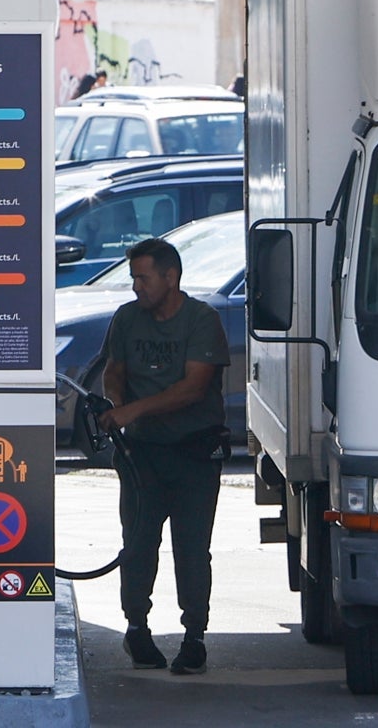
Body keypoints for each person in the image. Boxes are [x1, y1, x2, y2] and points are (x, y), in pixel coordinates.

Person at [98, 237, 230, 676]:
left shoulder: (202, 320)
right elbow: (113, 369)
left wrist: (130, 410)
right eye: (134, 277)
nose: (136, 286)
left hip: (193, 453)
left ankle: (194, 638)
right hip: (142, 455)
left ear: (170, 277)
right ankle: (137, 629)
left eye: (142, 277)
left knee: (192, 550)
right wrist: (114, 401)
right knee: (137, 545)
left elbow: (193, 388)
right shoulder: (127, 319)